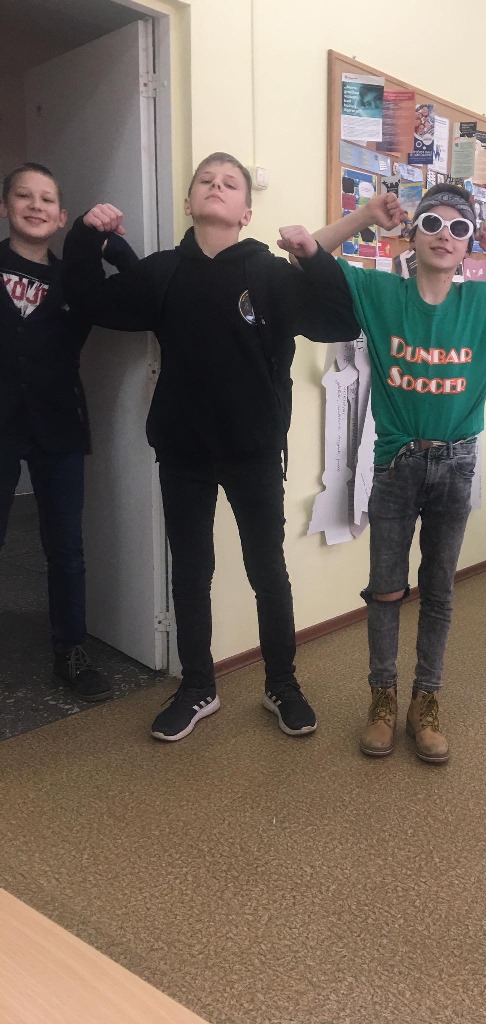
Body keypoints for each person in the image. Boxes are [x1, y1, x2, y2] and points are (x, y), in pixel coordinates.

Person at [62, 152, 360, 742]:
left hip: (254, 451)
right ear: (189, 201)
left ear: (246, 211)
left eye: (230, 184)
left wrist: (313, 256)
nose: (217, 187)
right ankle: (198, 686)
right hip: (183, 451)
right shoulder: (163, 272)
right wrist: (85, 237)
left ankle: (282, 685)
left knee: (267, 571)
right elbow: (90, 299)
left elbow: (340, 322)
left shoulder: (270, 273)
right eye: (207, 181)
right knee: (192, 571)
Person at [278, 183, 486, 764]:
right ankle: (382, 700)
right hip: (396, 463)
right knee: (386, 589)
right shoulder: (380, 293)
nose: (445, 236)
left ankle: (426, 701)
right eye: (432, 224)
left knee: (439, 590)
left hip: (456, 464)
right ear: (412, 237)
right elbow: (305, 254)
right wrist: (366, 215)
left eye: (459, 228)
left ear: (469, 246)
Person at [1, 162, 137, 702]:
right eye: (23, 196)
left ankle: (71, 651)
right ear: (6, 207)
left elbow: (136, 293)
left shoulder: (75, 282)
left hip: (58, 424)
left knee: (66, 546)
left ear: (61, 218)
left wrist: (107, 244)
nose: (35, 206)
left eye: (47, 200)